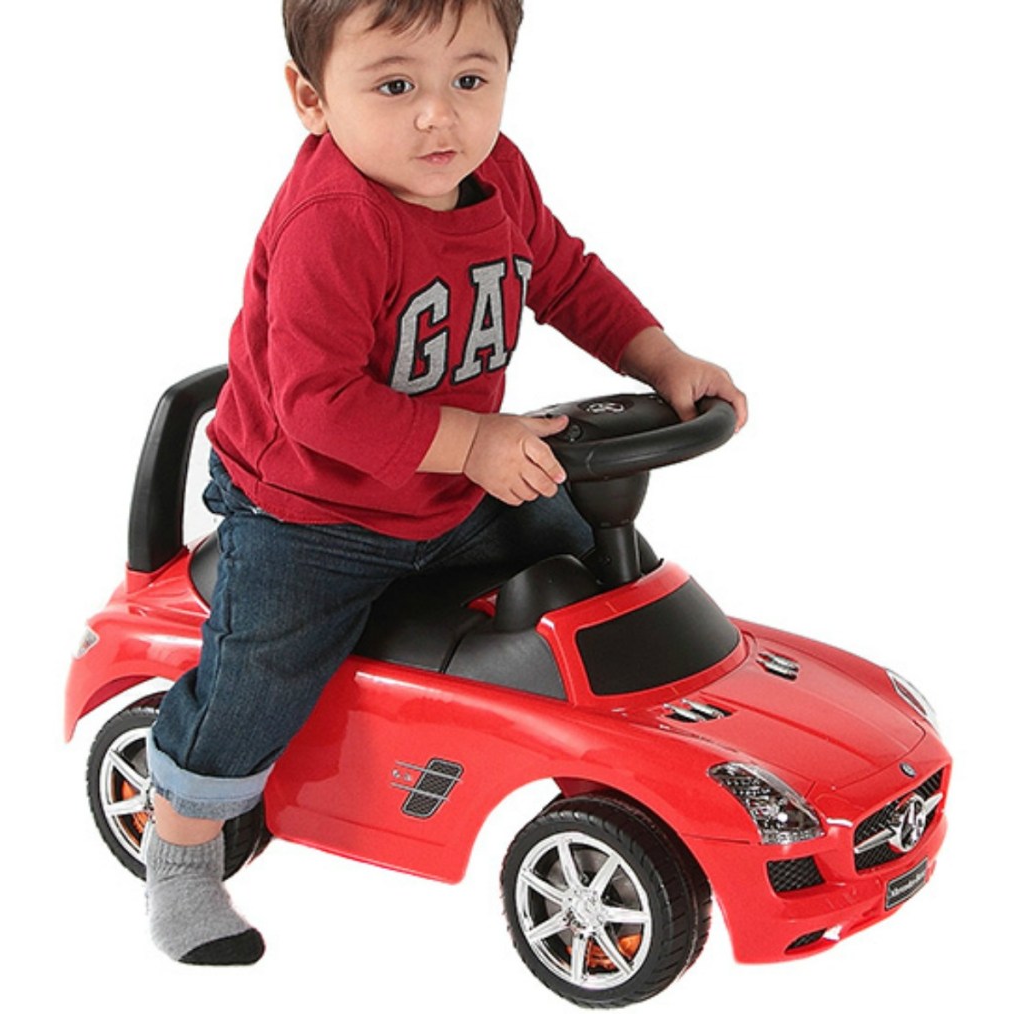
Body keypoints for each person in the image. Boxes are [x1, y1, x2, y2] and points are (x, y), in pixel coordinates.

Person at [143, 0, 749, 967]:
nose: (440, 116)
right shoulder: (333, 225)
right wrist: (471, 442)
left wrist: (659, 357)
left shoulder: (494, 175)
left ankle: (595, 750)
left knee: (590, 555)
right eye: (395, 85)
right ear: (311, 98)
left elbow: (564, 275)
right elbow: (319, 406)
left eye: (470, 80)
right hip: (312, 512)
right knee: (259, 675)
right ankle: (179, 856)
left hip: (448, 495)